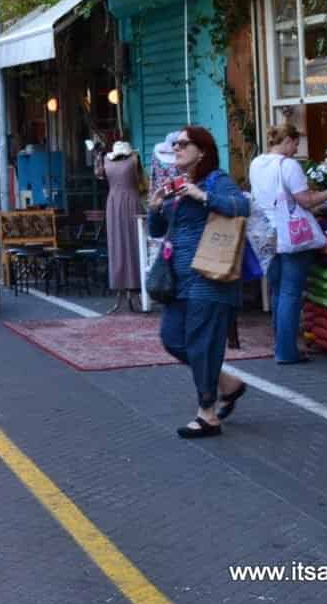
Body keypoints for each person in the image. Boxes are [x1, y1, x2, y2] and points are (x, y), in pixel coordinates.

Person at [148, 126, 250, 439]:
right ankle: (227, 384)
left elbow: (242, 206)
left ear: (201, 151)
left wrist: (203, 196)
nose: (176, 149)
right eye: (175, 144)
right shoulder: (175, 184)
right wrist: (154, 208)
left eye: (183, 144)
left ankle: (207, 414)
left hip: (209, 277)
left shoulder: (215, 179)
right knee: (172, 338)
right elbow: (157, 229)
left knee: (203, 344)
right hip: (177, 280)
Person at [249, 121, 327, 364]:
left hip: (266, 235)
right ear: (288, 141)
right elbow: (306, 201)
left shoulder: (256, 163)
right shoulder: (289, 165)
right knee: (291, 293)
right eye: (295, 144)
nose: (296, 149)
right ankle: (286, 351)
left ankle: (281, 345)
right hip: (291, 236)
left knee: (278, 292)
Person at [103, 141, 144, 312]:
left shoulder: (134, 159)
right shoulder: (108, 159)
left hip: (117, 201)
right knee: (119, 243)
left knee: (134, 242)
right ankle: (126, 287)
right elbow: (141, 180)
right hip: (124, 200)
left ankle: (134, 287)